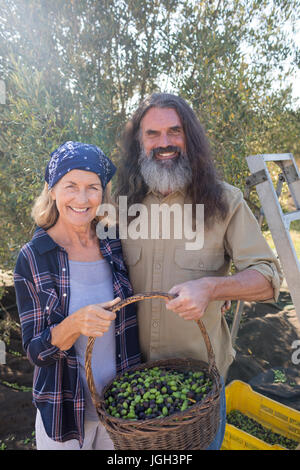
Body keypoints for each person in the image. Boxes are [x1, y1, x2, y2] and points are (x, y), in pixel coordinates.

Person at [115, 93, 283, 449]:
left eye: (174, 131)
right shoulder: (119, 204)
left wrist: (212, 288)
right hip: (131, 382)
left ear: (189, 137)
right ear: (138, 142)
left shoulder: (225, 202)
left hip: (199, 388)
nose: (164, 143)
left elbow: (268, 278)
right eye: (152, 134)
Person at [14, 141, 140, 450]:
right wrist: (75, 324)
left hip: (120, 409)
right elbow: (35, 352)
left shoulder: (114, 244)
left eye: (92, 187)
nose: (82, 199)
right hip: (66, 414)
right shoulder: (33, 257)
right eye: (71, 185)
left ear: (102, 193)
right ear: (52, 189)